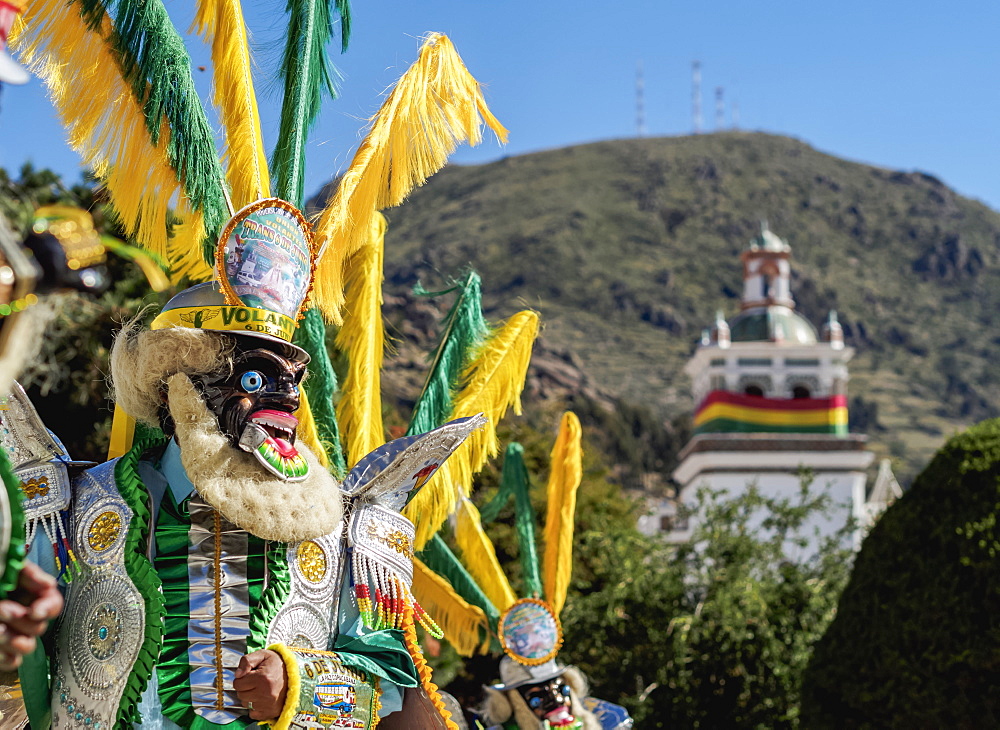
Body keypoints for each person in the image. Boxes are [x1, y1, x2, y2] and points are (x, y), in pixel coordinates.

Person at [0, 199, 479, 728]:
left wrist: (304, 686)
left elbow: (391, 680)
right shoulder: (67, 510)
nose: (286, 402)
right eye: (254, 379)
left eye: (291, 382)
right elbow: (17, 674)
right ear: (178, 387)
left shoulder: (345, 530)